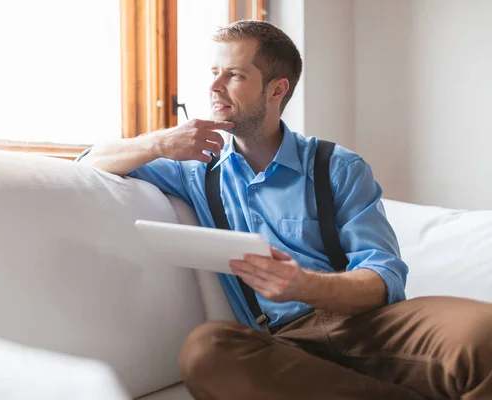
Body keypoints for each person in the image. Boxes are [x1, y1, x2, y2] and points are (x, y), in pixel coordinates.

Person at [85, 20, 492, 400]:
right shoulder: (194, 167)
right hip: (283, 344)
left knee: (484, 332)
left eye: (235, 75)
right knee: (206, 351)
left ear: (276, 90)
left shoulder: (338, 167)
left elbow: (383, 278)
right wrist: (157, 143)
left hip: (370, 326)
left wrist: (303, 285)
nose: (215, 86)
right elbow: (88, 163)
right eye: (214, 72)